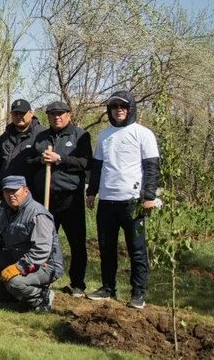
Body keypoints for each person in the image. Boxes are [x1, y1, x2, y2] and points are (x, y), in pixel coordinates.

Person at [85, 91, 159, 309]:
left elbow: (152, 167)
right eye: (114, 106)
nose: (118, 110)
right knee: (106, 248)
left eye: (123, 106)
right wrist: (91, 192)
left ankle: (138, 293)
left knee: (136, 249)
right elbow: (97, 168)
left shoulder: (143, 134)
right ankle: (108, 288)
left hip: (133, 202)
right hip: (107, 201)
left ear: (131, 108)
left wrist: (149, 196)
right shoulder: (104, 135)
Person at [28, 101, 92, 298]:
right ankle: (43, 279)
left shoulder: (80, 136)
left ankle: (78, 284)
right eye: (53, 114)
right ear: (48, 116)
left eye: (61, 113)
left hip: (70, 198)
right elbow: (29, 162)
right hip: (46, 199)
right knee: (43, 241)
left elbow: (85, 163)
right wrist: (40, 160)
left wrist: (60, 159)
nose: (57, 117)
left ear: (69, 115)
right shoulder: (41, 137)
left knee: (76, 242)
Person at [0, 176, 63, 313]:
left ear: (26, 190)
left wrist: (19, 267)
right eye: (7, 192)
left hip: (44, 265)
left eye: (15, 191)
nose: (11, 195)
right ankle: (5, 298)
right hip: (17, 257)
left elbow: (41, 251)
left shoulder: (37, 214)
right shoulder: (7, 211)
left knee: (15, 282)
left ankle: (42, 298)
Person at [0, 99, 45, 193]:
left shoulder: (42, 135)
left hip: (31, 193)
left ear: (31, 113)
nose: (18, 117)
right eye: (15, 114)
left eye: (22, 113)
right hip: (7, 191)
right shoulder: (5, 137)